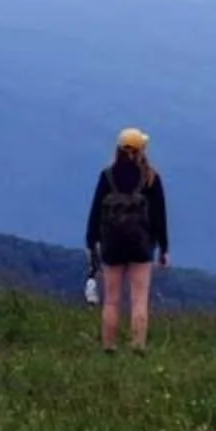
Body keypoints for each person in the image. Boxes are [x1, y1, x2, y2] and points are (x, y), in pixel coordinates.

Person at [85, 127, 169, 353]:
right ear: (142, 149)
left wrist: (91, 243)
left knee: (111, 300)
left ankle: (109, 347)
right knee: (139, 299)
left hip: (112, 245)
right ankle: (137, 347)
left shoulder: (107, 176)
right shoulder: (151, 177)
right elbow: (160, 216)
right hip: (141, 246)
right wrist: (164, 249)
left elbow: (95, 213)